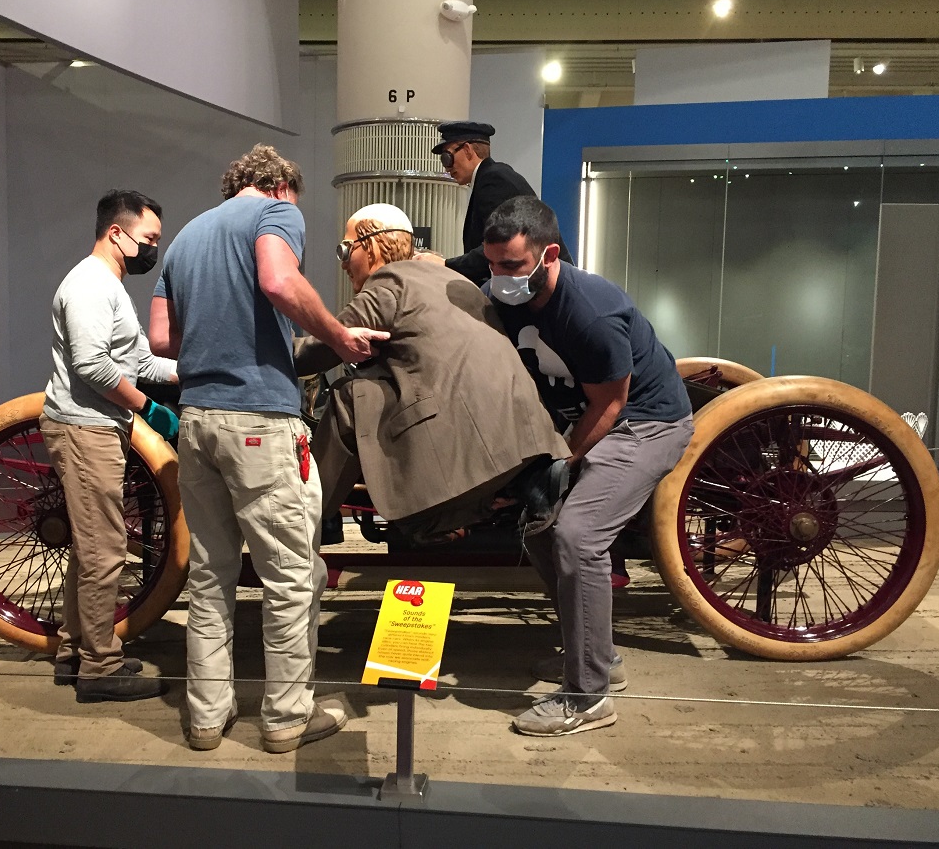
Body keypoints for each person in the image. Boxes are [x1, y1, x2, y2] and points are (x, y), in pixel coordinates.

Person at [148, 144, 387, 753]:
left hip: (196, 420)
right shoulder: (274, 214)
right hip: (258, 419)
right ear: (282, 186)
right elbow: (278, 280)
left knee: (210, 576)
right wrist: (339, 335)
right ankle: (284, 721)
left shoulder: (183, 239)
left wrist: (220, 337)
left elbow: (161, 338)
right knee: (291, 578)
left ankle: (206, 717)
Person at [482, 196, 694, 737]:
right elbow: (455, 271)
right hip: (597, 414)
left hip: (646, 423)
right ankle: (597, 655)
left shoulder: (589, 313)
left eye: (511, 267)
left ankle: (588, 696)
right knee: (541, 530)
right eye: (492, 265)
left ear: (549, 254)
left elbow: (612, 406)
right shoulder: (505, 271)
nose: (499, 278)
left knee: (579, 534)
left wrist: (560, 463)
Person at [293, 203, 571, 541]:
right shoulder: (455, 279)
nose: (343, 262)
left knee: (348, 398)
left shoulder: (388, 282)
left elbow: (324, 347)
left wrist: (265, 354)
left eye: (345, 249)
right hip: (526, 438)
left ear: (371, 244)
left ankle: (305, 523)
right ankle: (480, 506)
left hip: (464, 452)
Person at [40, 189, 180, 703]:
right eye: (148, 240)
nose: (152, 250)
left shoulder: (112, 286)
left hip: (100, 426)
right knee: (106, 549)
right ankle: (101, 668)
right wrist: (150, 408)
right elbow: (93, 367)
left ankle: (75, 650)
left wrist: (194, 372)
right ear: (116, 233)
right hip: (84, 428)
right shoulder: (88, 286)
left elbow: (139, 361)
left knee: (89, 545)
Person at [432, 120, 573, 286]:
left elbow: (500, 247)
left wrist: (445, 265)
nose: (447, 168)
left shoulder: (493, 180)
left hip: (547, 287)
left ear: (468, 150)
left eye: (447, 157)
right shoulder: (491, 178)